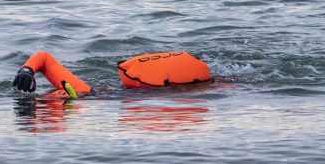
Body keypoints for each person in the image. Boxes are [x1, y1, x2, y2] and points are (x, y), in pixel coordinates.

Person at [13, 51, 212, 98]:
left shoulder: (84, 95)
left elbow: (45, 59)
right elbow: (44, 57)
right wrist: (26, 71)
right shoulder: (82, 92)